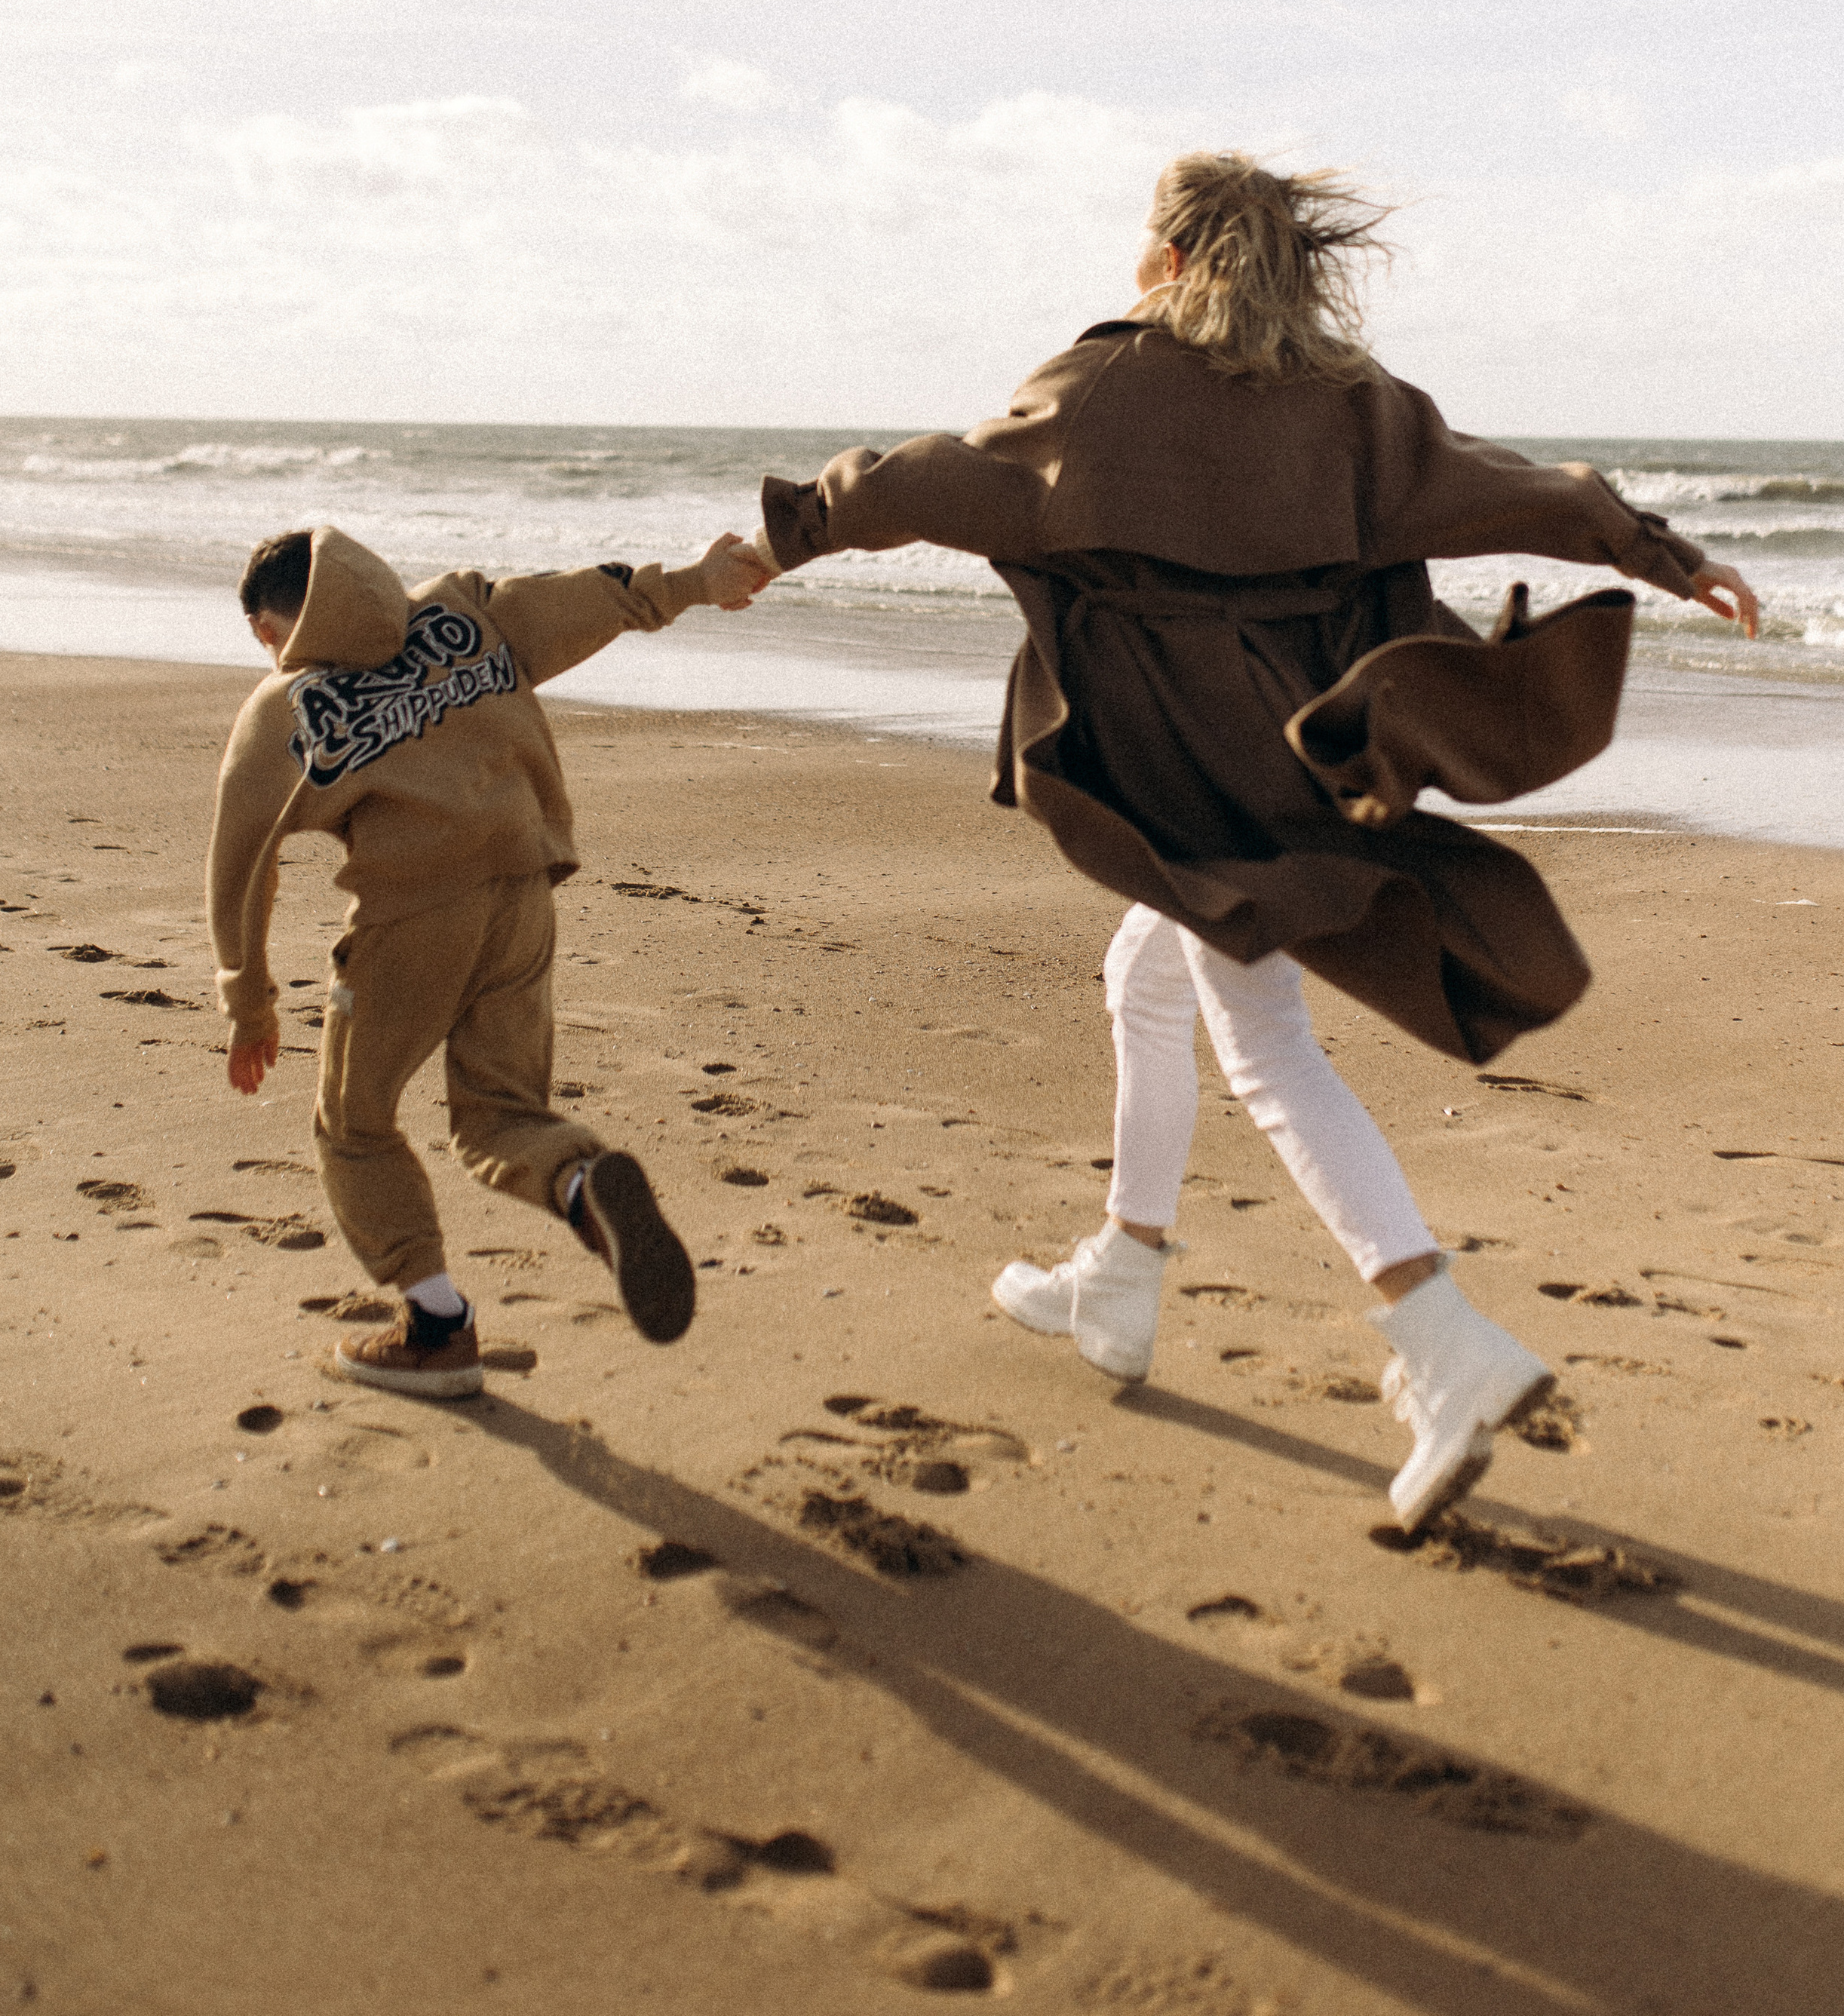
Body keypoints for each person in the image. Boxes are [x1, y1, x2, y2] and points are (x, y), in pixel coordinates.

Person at [750, 152, 1760, 1530]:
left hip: (1178, 776)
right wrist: (1660, 553)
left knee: (1265, 1038)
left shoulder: (1101, 389)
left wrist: (798, 531)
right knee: (1144, 979)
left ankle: (1441, 1338)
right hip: (1304, 760)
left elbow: (938, 480)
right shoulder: (1356, 409)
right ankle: (1124, 1268)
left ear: (1168, 261)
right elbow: (1516, 490)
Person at [208, 521, 766, 1400]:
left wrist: (248, 1001)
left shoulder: (282, 710)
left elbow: (242, 864)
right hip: (524, 891)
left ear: (271, 625)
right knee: (500, 1114)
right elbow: (595, 596)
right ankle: (582, 1183)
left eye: (266, 637)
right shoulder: (461, 607)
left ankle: (437, 1329)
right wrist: (698, 578)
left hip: (410, 922)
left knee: (353, 1126)